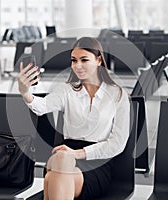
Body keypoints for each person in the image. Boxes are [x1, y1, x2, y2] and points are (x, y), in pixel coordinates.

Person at [18, 37, 130, 200]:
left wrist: (77, 154)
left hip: (97, 162)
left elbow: (117, 144)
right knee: (61, 159)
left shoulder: (117, 94)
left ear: (98, 60)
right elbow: (41, 107)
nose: (77, 65)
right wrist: (25, 92)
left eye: (84, 60)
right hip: (63, 156)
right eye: (74, 60)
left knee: (52, 178)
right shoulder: (66, 90)